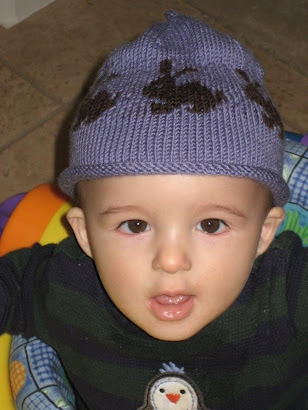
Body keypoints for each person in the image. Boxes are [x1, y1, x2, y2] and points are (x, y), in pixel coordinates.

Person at [0, 10, 307, 410]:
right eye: (135, 224)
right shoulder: (63, 285)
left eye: (211, 224)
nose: (171, 260)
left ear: (264, 233)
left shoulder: (288, 290)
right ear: (85, 234)